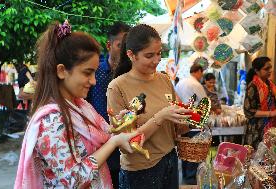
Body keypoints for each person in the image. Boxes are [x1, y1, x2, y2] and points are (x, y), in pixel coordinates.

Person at [14, 20, 140, 189]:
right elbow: (75, 180)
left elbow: (104, 133)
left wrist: (120, 122)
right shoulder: (51, 121)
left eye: (94, 72)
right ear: (61, 71)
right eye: (87, 73)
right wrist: (113, 143)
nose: (94, 81)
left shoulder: (80, 106)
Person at [107, 24, 192, 189]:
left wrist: (185, 118)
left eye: (159, 53)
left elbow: (178, 122)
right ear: (131, 55)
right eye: (149, 55)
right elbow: (125, 143)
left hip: (170, 160)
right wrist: (161, 116)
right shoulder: (117, 87)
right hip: (140, 170)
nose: (157, 60)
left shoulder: (164, 80)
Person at [86, 21, 130, 189]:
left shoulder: (132, 75)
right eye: (120, 45)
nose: (125, 51)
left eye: (127, 46)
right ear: (109, 45)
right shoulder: (94, 72)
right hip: (100, 145)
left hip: (127, 145)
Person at [174, 63, 207, 185]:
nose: (201, 76)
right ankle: (191, 180)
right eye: (202, 73)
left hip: (181, 121)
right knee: (194, 152)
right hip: (194, 123)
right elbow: (205, 102)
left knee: (185, 151)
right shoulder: (195, 84)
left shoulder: (181, 82)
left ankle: (187, 178)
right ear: (198, 71)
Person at [244, 56, 276, 148]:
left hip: (271, 127)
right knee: (257, 157)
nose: (270, 71)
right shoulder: (253, 86)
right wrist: (271, 113)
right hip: (257, 130)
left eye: (270, 68)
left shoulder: (270, 84)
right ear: (257, 71)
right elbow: (248, 111)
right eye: (266, 69)